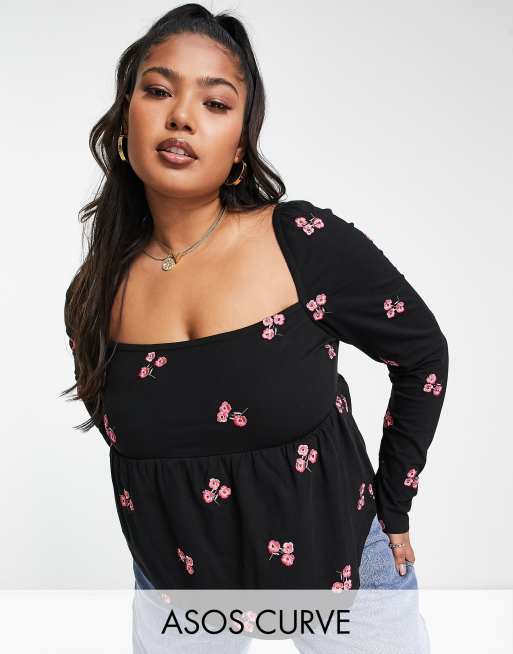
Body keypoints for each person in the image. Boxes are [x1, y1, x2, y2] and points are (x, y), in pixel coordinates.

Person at [63, 4, 448, 651]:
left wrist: (395, 502)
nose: (181, 116)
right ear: (125, 119)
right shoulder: (96, 294)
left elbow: (423, 355)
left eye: (215, 103)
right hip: (179, 597)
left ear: (239, 146)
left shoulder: (301, 244)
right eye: (157, 91)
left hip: (346, 576)